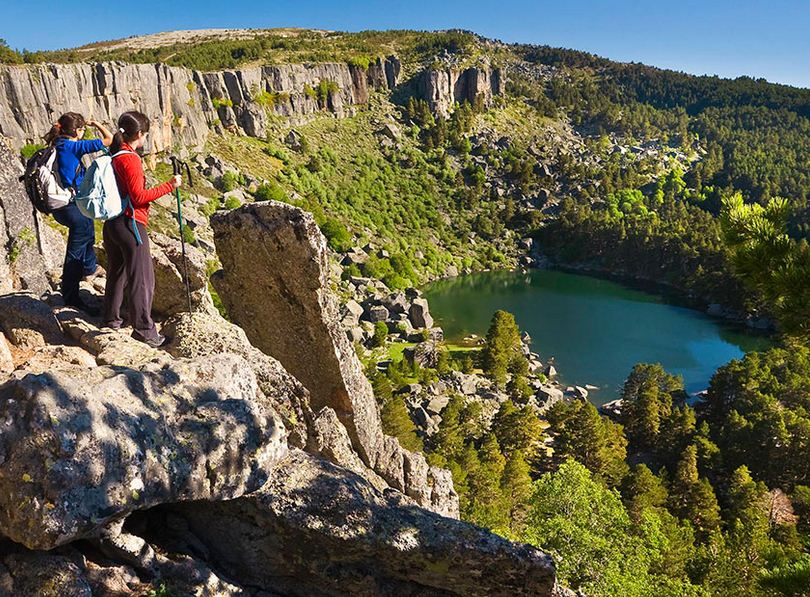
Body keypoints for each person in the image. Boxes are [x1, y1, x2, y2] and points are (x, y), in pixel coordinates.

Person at [103, 111, 181, 347]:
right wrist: (170, 185)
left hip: (113, 223)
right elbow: (138, 197)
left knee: (117, 273)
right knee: (142, 278)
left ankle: (111, 319)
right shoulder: (131, 159)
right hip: (131, 223)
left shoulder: (115, 154)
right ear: (140, 134)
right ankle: (145, 331)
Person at [44, 112, 113, 313]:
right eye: (81, 129)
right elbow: (109, 140)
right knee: (75, 250)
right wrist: (98, 123)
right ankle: (71, 296)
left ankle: (90, 268)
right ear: (76, 130)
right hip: (69, 205)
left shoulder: (57, 143)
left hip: (61, 205)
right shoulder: (73, 146)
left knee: (87, 227)